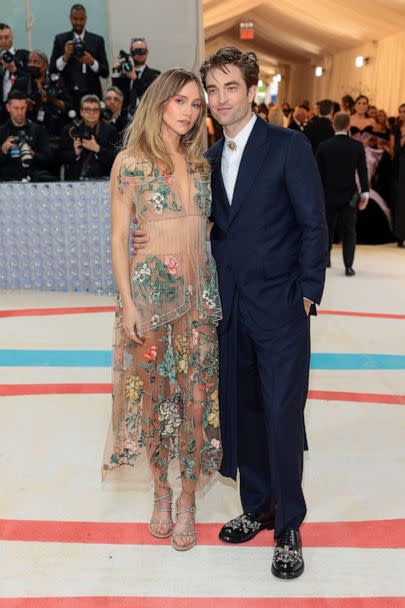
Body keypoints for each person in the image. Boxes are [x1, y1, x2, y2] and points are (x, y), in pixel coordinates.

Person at [134, 47, 328, 579]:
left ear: (251, 90)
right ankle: (259, 505)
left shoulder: (289, 146)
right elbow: (202, 222)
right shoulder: (208, 159)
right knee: (243, 410)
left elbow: (314, 223)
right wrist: (150, 233)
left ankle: (288, 525)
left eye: (229, 89)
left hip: (283, 306)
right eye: (211, 92)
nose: (219, 101)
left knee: (283, 413)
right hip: (227, 308)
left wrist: (310, 288)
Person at [103, 68, 222, 552]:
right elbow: (116, 238)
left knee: (195, 399)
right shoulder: (129, 164)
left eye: (197, 104)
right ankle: (161, 492)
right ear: (159, 103)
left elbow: (208, 225)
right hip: (151, 296)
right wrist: (128, 302)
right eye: (181, 101)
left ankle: (190, 499)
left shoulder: (200, 162)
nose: (190, 111)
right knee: (156, 400)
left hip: (199, 291)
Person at [316, 112, 369, 275]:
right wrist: (365, 192)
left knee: (327, 228)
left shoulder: (324, 146)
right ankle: (348, 265)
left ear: (333, 125)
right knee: (349, 230)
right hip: (350, 196)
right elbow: (362, 171)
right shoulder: (357, 146)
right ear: (348, 126)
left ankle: (326, 260)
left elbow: (317, 173)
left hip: (328, 195)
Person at [49, 4, 109, 111]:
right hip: (68, 96)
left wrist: (91, 62)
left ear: (86, 19)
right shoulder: (61, 40)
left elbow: (105, 72)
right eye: (75, 19)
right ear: (70, 18)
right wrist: (65, 57)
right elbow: (52, 70)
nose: (78, 23)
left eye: (81, 19)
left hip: (92, 96)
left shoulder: (96, 40)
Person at [59, 94, 117, 180]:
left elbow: (116, 158)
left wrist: (98, 149)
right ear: (81, 112)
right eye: (87, 109)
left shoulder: (110, 131)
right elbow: (59, 157)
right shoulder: (70, 130)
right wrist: (75, 153)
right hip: (75, 180)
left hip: (102, 180)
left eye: (95, 110)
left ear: (100, 112)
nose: (91, 113)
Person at [0, 89, 53, 181]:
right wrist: (3, 150)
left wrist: (33, 154)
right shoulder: (2, 132)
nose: (20, 112)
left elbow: (49, 160)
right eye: (16, 108)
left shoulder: (38, 130)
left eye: (22, 108)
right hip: (7, 181)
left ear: (26, 106)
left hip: (33, 180)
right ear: (8, 108)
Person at [112, 37, 160, 117]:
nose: (140, 54)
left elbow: (151, 97)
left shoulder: (154, 74)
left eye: (143, 51)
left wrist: (135, 78)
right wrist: (116, 74)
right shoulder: (124, 74)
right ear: (131, 53)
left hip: (145, 117)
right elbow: (116, 94)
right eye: (137, 51)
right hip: (124, 118)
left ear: (147, 53)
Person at [0, 23, 29, 123]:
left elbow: (29, 78)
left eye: (6, 37)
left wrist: (15, 70)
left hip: (19, 107)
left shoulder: (24, 55)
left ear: (12, 37)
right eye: (0, 38)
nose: (3, 41)